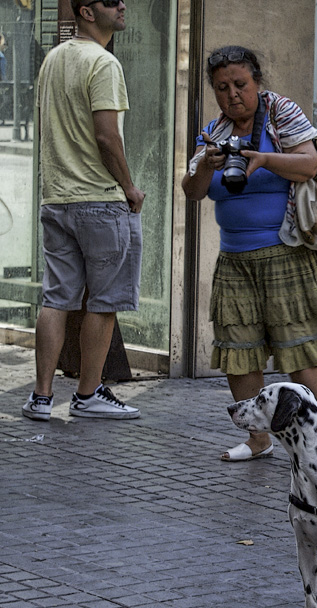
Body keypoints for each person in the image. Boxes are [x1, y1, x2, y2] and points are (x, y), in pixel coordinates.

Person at [182, 46, 317, 462]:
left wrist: (263, 159)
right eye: (221, 88)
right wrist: (207, 165)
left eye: (240, 85)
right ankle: (257, 440)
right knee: (239, 354)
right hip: (235, 259)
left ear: (257, 81)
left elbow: (310, 164)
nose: (232, 95)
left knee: (300, 350)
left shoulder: (281, 112)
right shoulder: (215, 130)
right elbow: (192, 191)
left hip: (286, 252)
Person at [22, 0, 144, 422]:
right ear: (88, 12)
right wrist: (129, 186)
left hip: (56, 198)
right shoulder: (103, 62)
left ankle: (40, 397)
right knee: (104, 301)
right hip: (99, 199)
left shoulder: (53, 59)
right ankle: (88, 393)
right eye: (112, 2)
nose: (123, 6)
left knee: (57, 298)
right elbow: (107, 136)